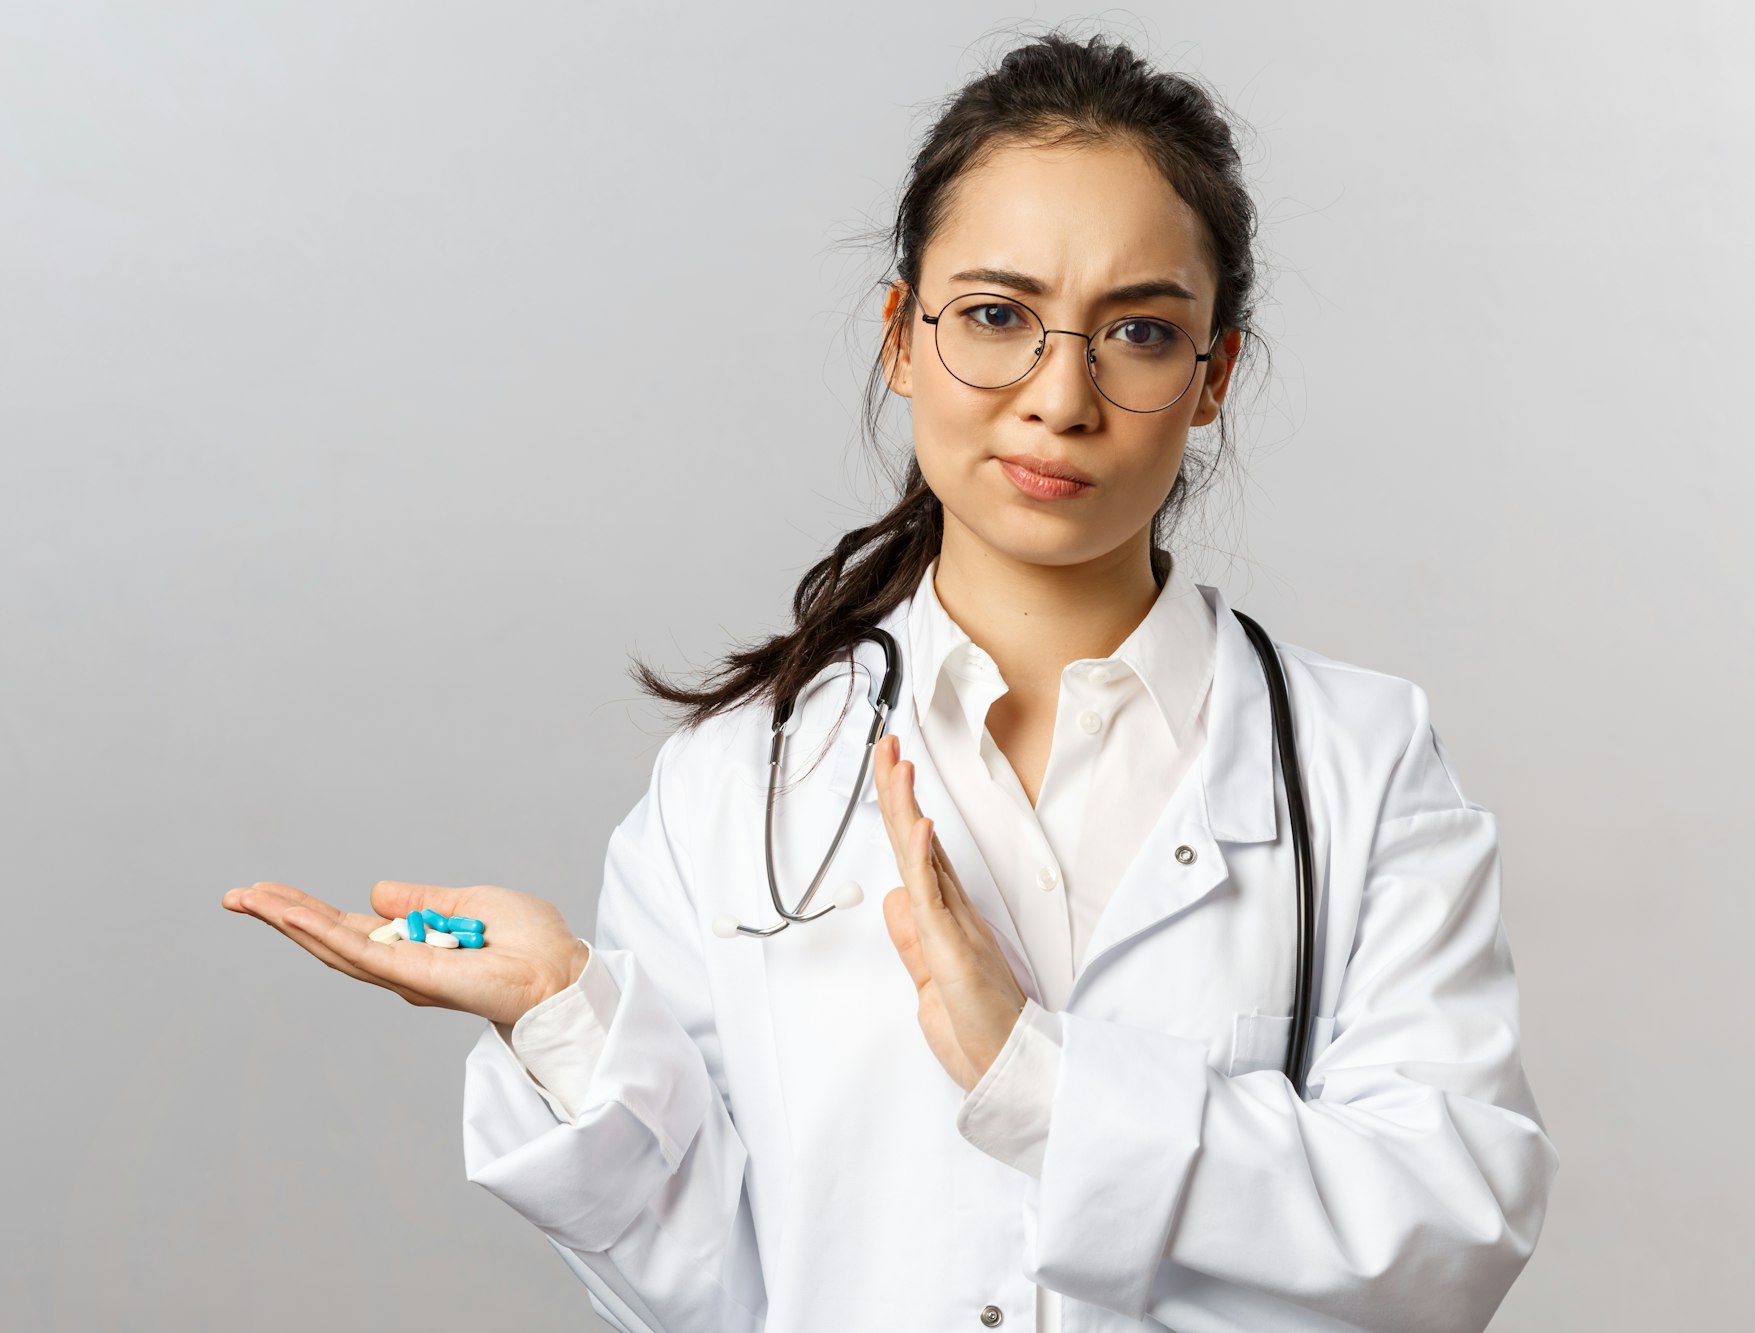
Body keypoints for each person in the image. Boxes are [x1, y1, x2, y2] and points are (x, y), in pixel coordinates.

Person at [222, 28, 1559, 1332]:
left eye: (1138, 333)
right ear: (901, 337)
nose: (1059, 395)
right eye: (996, 316)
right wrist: (560, 1016)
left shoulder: (1357, 763)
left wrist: (1035, 1075)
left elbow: (1449, 1238)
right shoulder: (738, 781)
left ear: (1211, 375)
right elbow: (713, 1289)